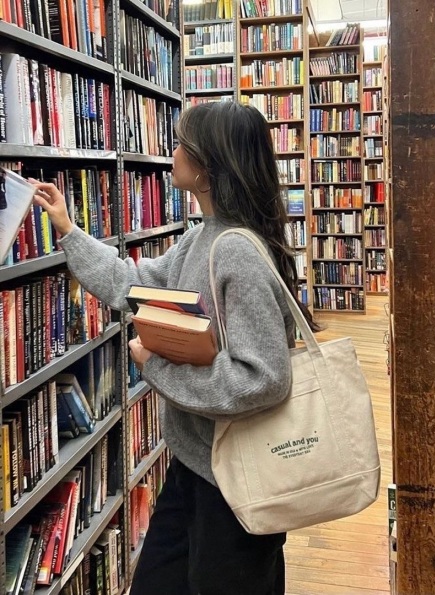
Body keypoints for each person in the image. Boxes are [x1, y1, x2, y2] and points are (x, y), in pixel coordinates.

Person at [33, 101, 319, 595]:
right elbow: (133, 284)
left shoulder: (235, 251)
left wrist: (156, 366)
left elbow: (264, 378)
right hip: (195, 467)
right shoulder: (199, 239)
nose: (173, 151)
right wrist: (69, 230)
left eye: (182, 142)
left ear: (207, 165)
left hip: (238, 482)